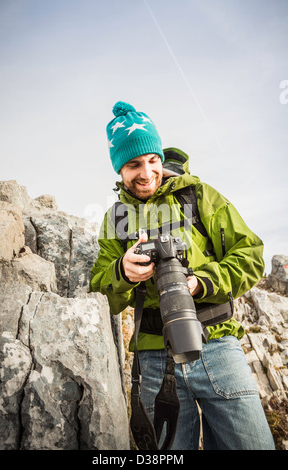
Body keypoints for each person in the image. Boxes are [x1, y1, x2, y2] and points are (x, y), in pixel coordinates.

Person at [89, 101, 275, 450]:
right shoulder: (116, 218)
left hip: (217, 345)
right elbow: (100, 290)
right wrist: (123, 272)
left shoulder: (199, 195)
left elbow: (251, 256)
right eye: (133, 164)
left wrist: (200, 282)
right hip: (154, 359)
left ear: (160, 155)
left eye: (152, 160)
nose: (146, 172)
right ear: (119, 169)